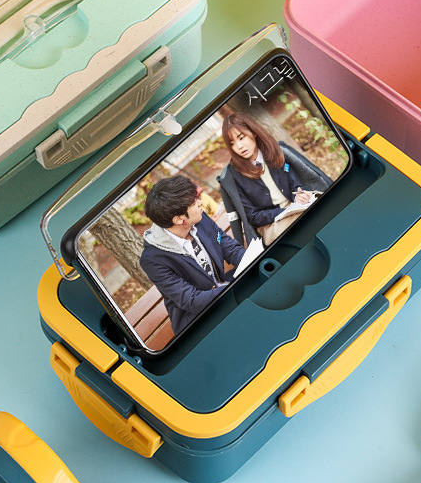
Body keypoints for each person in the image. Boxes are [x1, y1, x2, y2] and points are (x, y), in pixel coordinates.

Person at [140, 175, 245, 336]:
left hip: (225, 292)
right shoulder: (153, 260)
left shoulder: (198, 219)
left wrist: (251, 261)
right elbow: (192, 301)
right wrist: (235, 287)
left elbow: (229, 247)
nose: (200, 202)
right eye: (194, 202)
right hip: (200, 321)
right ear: (179, 220)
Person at [220, 112, 329, 245]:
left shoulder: (274, 151)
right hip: (270, 224)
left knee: (322, 206)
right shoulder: (234, 175)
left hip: (295, 208)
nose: (239, 146)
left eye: (241, 138)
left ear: (253, 132)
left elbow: (294, 184)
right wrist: (285, 212)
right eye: (232, 143)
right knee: (307, 222)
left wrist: (299, 196)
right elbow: (252, 216)